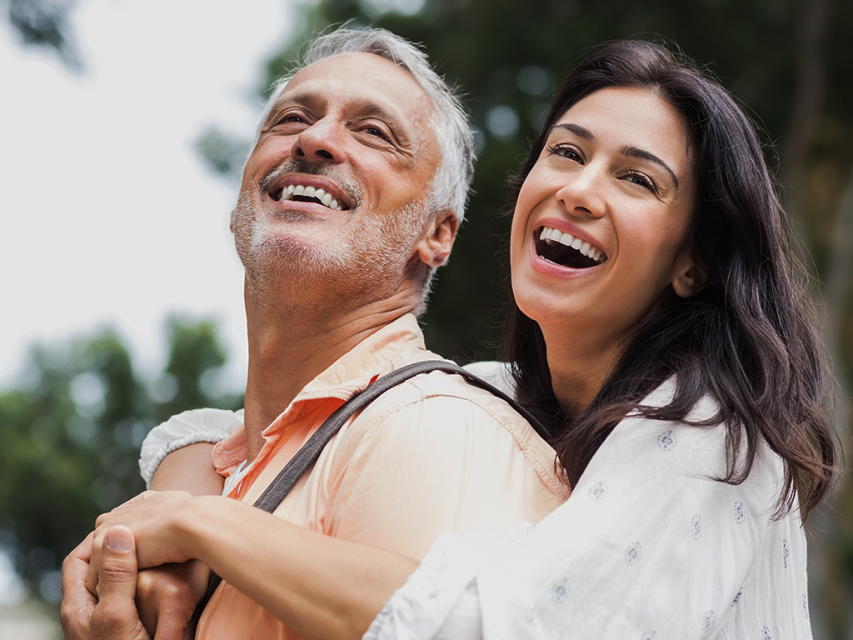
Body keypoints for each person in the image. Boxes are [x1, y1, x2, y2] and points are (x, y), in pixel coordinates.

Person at [65, 38, 836, 639]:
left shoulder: (708, 435)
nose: (577, 187)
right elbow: (247, 429)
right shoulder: (494, 394)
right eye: (566, 152)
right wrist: (167, 511)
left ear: (692, 262)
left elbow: (521, 628)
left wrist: (205, 524)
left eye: (636, 178)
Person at [60, 27, 569, 640]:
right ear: (240, 201)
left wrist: (195, 522)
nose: (315, 139)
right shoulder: (209, 466)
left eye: (374, 132)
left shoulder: (434, 423)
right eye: (291, 118)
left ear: (438, 235)